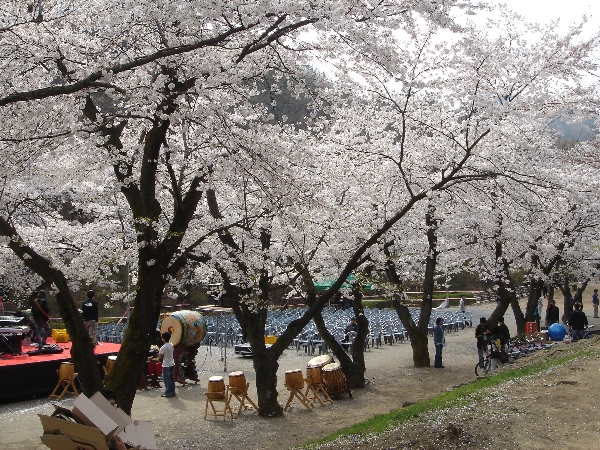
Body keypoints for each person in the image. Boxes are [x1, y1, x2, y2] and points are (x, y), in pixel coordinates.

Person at [158, 331, 175, 397]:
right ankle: (172, 392)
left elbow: (160, 356)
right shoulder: (171, 345)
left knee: (167, 379)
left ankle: (168, 392)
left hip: (166, 364)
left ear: (163, 338)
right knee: (171, 379)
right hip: (172, 363)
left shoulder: (163, 347)